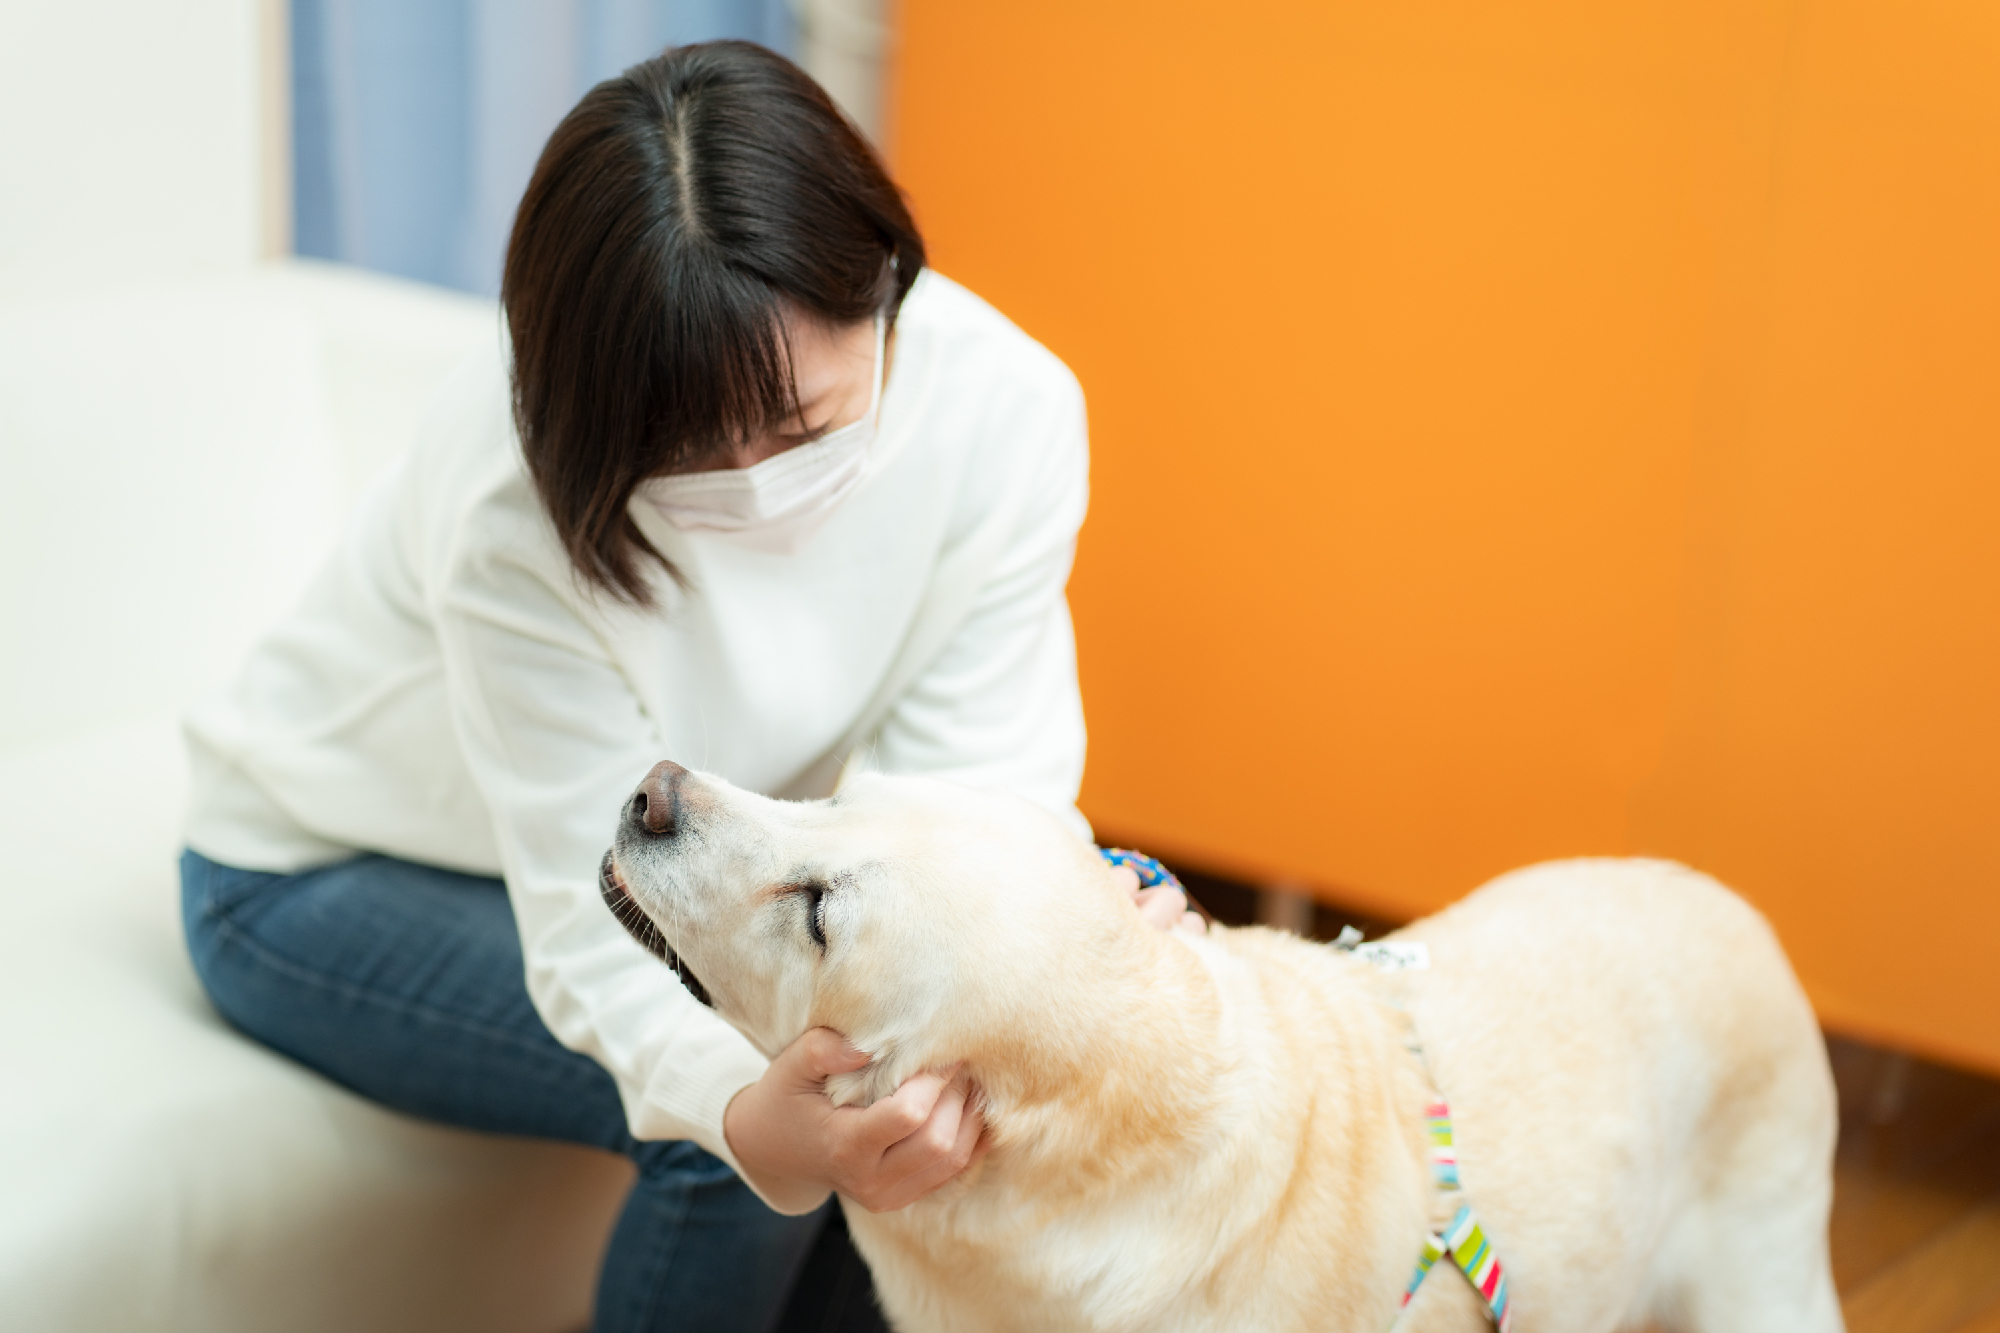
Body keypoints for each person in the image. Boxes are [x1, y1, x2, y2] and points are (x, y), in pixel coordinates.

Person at [178, 39, 1196, 1333]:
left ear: (884, 287)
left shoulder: (1006, 417)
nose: (759, 479)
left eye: (807, 428)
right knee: (749, 1141)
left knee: (894, 1118)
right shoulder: (509, 491)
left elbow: (971, 804)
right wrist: (750, 1116)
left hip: (638, 867)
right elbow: (589, 906)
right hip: (312, 870)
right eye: (699, 452)